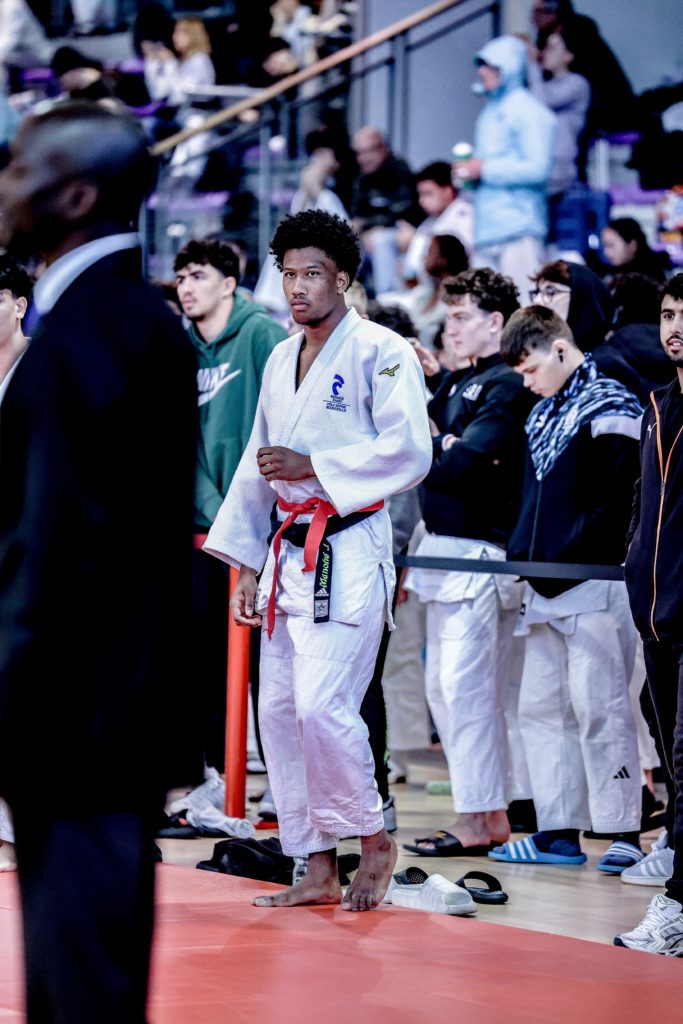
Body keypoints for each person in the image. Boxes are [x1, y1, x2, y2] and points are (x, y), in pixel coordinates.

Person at [0, 101, 199, 1021]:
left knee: (82, 987)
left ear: (76, 194)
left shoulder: (93, 333)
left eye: (20, 170)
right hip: (99, 709)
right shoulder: (117, 319)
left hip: (77, 713)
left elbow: (56, 554)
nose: (6, 187)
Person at [204, 209, 432, 910]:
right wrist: (246, 564)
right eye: (288, 274)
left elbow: (409, 449)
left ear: (343, 278)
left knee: (323, 706)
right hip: (284, 552)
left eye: (312, 274)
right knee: (278, 711)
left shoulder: (381, 350)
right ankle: (315, 862)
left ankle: (373, 837)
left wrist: (316, 465)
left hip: (349, 546)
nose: (298, 287)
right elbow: (258, 462)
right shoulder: (280, 358)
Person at [492, 305, 643, 871]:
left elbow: (619, 502)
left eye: (531, 369)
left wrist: (563, 553)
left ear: (559, 348)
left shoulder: (613, 405)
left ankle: (624, 830)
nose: (528, 383)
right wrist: (525, 556)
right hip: (544, 586)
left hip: (595, 582)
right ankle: (557, 832)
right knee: (541, 710)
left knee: (602, 707)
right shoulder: (541, 414)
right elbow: (528, 500)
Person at [402, 268, 533, 856]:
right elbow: (436, 449)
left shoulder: (507, 383)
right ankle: (483, 811)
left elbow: (462, 463)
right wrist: (441, 434)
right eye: (449, 317)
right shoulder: (460, 380)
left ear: (495, 322)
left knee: (467, 689)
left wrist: (437, 444)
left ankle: (481, 816)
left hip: (482, 553)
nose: (450, 328)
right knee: (444, 688)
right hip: (444, 547)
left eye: (461, 317)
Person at [171, 238, 286, 812]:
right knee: (203, 664)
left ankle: (283, 789)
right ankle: (214, 781)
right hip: (202, 530)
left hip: (264, 528)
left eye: (197, 275)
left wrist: (244, 515)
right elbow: (179, 442)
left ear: (229, 284)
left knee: (270, 667)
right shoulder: (180, 346)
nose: (186, 287)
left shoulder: (262, 335)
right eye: (180, 277)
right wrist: (219, 512)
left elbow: (282, 424)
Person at [616, 274, 683, 953]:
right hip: (656, 613)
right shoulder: (656, 405)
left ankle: (678, 906)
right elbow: (645, 504)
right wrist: (637, 572)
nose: (674, 328)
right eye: (667, 315)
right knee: (671, 760)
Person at [455, 35, 555, 299]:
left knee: (522, 304)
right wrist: (471, 174)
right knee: (485, 308)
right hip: (487, 228)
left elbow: (538, 168)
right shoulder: (488, 112)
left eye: (491, 65)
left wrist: (484, 169)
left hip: (520, 228)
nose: (482, 71)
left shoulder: (531, 111)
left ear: (509, 67)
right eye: (481, 65)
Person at [350, 125, 417, 294]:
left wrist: (368, 226)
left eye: (367, 151)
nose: (362, 158)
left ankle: (386, 298)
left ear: (383, 148)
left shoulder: (400, 172)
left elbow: (403, 212)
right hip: (367, 237)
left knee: (380, 240)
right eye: (358, 153)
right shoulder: (361, 179)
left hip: (400, 235)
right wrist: (364, 230)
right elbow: (357, 216)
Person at [402, 161, 474, 284]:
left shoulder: (466, 218)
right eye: (420, 194)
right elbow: (411, 268)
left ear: (447, 191)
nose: (421, 201)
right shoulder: (428, 223)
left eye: (428, 194)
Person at [601, 218, 672, 285]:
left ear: (632, 245)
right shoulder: (611, 275)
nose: (606, 252)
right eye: (605, 246)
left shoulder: (653, 277)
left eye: (611, 245)